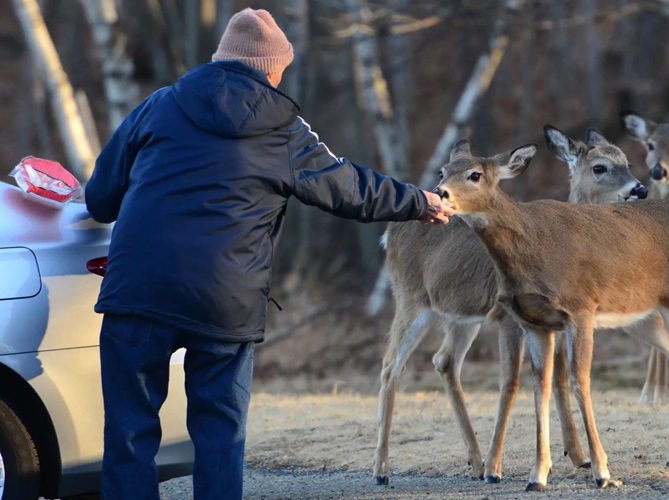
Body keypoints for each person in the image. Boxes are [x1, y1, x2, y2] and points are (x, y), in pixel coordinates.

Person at [84, 8, 453, 500]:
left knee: (129, 438)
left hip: (138, 292)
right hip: (223, 302)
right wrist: (417, 201)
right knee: (219, 438)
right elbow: (350, 188)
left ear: (222, 60)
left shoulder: (159, 105)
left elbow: (99, 198)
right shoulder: (284, 130)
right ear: (273, 69)